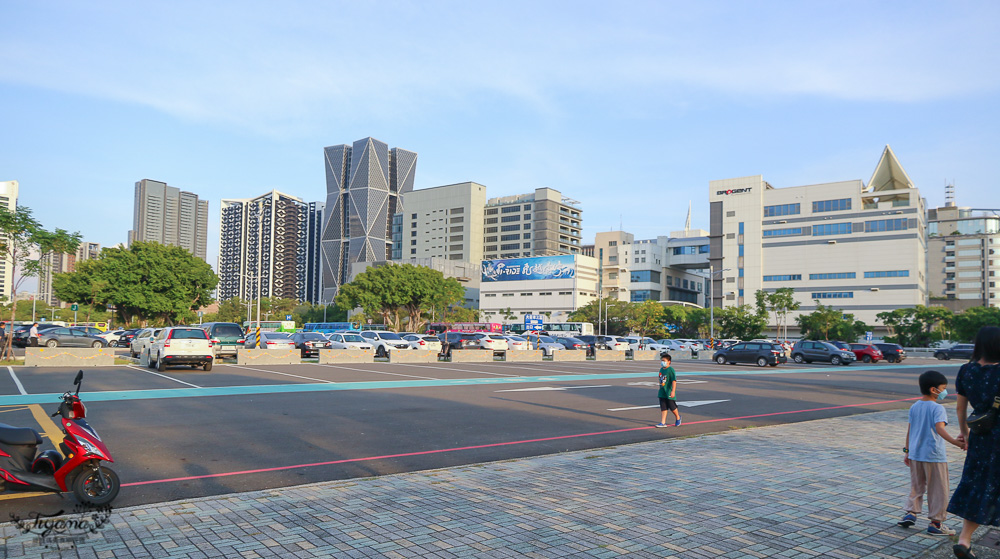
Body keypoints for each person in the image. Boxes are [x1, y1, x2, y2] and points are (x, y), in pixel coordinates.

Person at [947, 326, 1000, 559]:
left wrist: (965, 433)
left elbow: (960, 408)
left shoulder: (966, 370)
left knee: (979, 485)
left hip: (980, 436)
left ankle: (964, 540)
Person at [898, 370, 965, 536]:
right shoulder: (937, 408)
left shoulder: (915, 406)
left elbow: (910, 430)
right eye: (943, 388)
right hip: (934, 455)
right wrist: (957, 443)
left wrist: (907, 451)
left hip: (915, 455)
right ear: (934, 390)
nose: (945, 391)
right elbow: (939, 429)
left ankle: (910, 513)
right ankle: (936, 523)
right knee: (939, 489)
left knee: (917, 486)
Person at [655, 353, 681, 428]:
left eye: (664, 360)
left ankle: (678, 417)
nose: (662, 362)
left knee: (672, 407)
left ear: (669, 361)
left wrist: (673, 391)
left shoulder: (671, 370)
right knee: (663, 407)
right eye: (662, 360)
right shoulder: (661, 369)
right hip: (662, 391)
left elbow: (674, 381)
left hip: (669, 391)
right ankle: (663, 422)